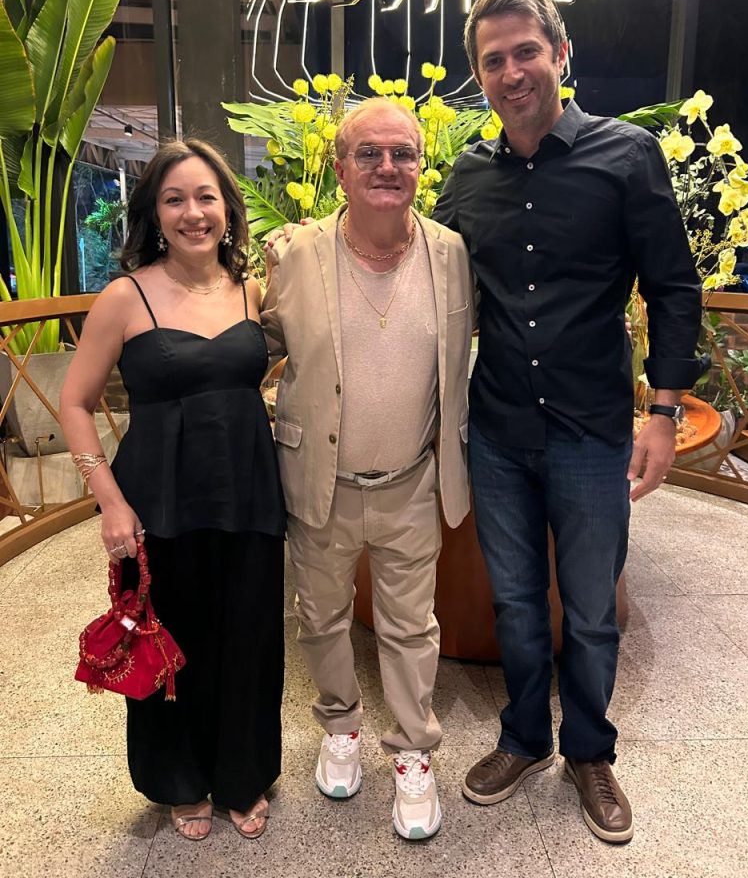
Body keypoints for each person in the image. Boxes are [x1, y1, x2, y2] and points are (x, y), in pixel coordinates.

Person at [432, 0, 703, 843]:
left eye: (526, 52)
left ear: (560, 53)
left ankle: (589, 751)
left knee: (589, 608)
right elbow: (421, 270)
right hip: (498, 429)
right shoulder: (468, 175)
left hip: (591, 430)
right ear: (479, 76)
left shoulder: (627, 155)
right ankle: (523, 738)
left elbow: (673, 286)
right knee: (515, 602)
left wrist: (663, 411)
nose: (512, 72)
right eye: (494, 60)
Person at [60, 140, 286, 842]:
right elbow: (74, 402)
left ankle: (243, 774)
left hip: (248, 492)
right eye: (174, 199)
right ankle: (180, 780)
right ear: (154, 213)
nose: (194, 213)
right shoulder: (124, 296)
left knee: (249, 637)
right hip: (156, 501)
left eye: (206, 197)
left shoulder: (252, 289)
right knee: (171, 643)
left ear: (228, 208)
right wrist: (109, 500)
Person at [260, 98, 473, 840]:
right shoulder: (295, 253)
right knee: (320, 616)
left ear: (421, 165)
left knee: (412, 627)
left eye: (403, 153)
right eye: (369, 154)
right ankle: (340, 725)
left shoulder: (452, 254)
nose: (388, 167)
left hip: (412, 480)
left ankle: (414, 752)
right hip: (319, 479)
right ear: (340, 167)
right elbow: (255, 342)